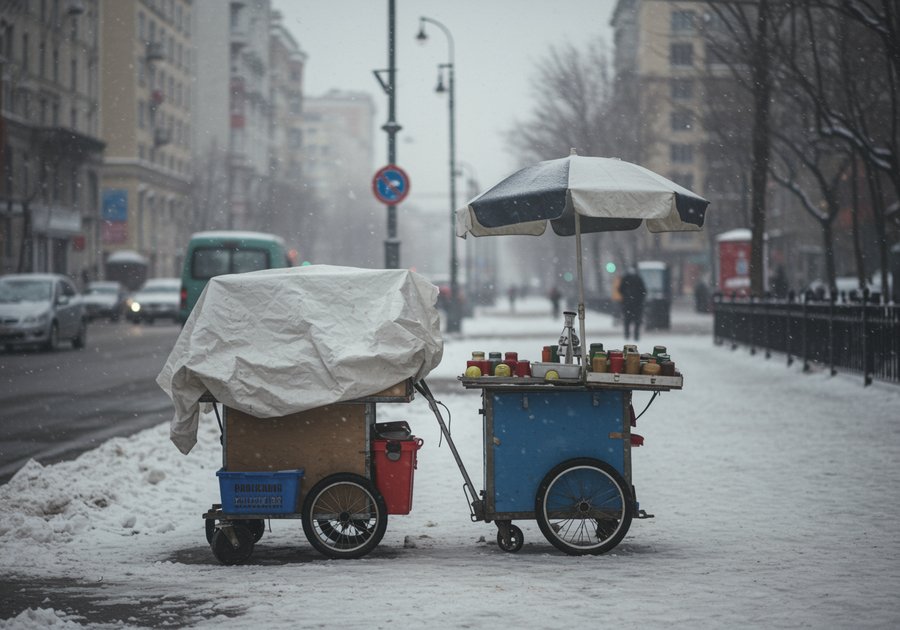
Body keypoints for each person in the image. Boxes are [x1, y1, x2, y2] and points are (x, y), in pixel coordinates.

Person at [619, 267, 647, 340]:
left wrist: (626, 297)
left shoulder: (625, 279)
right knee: (637, 321)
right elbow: (644, 291)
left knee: (627, 321)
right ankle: (636, 335)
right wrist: (640, 299)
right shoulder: (638, 279)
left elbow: (620, 289)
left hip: (627, 304)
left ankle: (627, 335)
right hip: (637, 304)